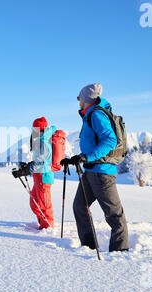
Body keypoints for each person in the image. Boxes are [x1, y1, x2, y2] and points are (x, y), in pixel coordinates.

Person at [60, 83, 129, 252]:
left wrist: (87, 157)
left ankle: (120, 251)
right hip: (91, 171)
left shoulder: (97, 114)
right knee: (79, 207)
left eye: (79, 98)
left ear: (86, 99)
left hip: (102, 173)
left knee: (114, 215)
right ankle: (89, 246)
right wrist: (76, 159)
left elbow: (110, 141)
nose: (78, 101)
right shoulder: (89, 114)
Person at [12, 117, 56, 229]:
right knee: (34, 203)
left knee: (44, 205)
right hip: (39, 176)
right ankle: (43, 223)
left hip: (44, 176)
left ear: (39, 129)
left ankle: (47, 228)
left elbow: (42, 162)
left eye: (34, 129)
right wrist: (27, 166)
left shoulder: (43, 141)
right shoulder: (41, 140)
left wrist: (26, 170)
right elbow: (40, 160)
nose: (33, 131)